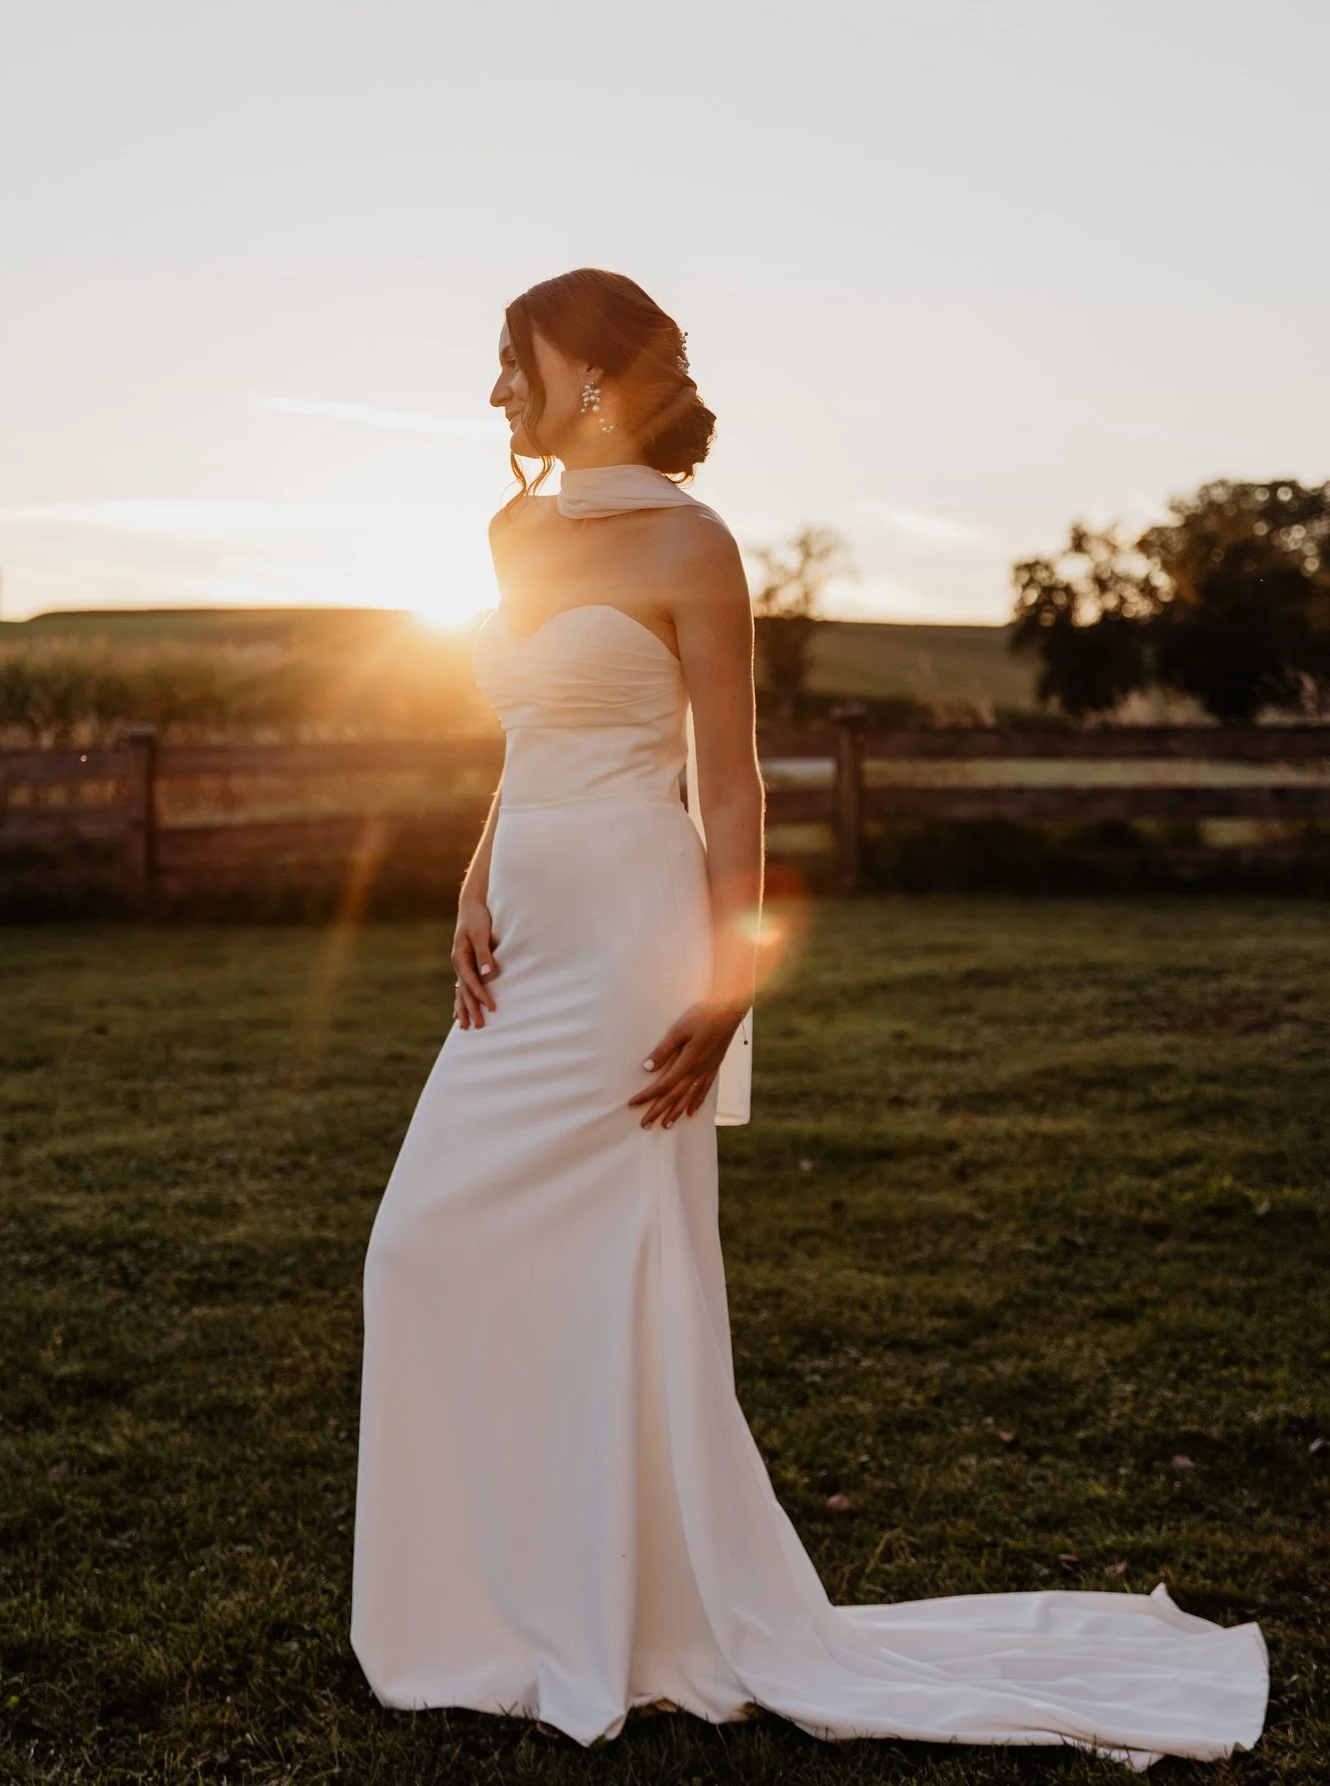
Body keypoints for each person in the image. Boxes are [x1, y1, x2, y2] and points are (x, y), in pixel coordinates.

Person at [350, 268, 1268, 1769]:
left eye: (513, 358)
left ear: (590, 372)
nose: (495, 388)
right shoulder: (512, 531)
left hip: (634, 937)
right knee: (422, 1247)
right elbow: (525, 737)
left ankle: (616, 1611)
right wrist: (471, 870)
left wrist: (729, 986)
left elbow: (732, 781)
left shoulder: (694, 543)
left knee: (615, 1266)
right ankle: (501, 1599)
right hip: (522, 931)